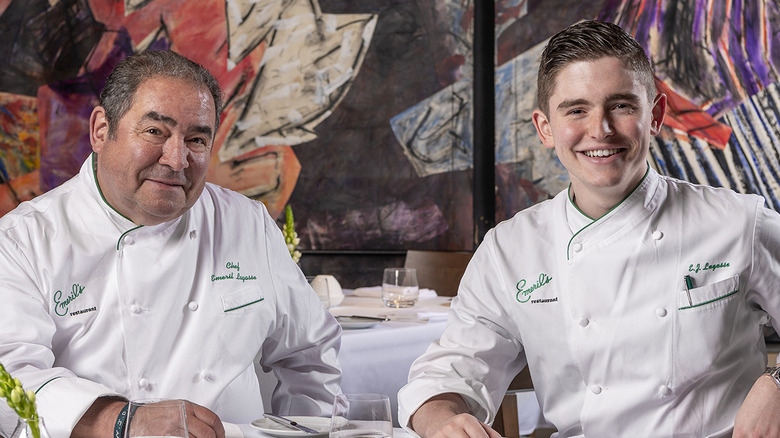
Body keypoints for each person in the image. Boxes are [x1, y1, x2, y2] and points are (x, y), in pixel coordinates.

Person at [398, 20, 780, 438]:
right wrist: (443, 424)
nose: (600, 129)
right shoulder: (511, 249)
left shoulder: (740, 222)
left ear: (655, 115)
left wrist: (776, 384)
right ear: (545, 128)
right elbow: (446, 376)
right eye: (577, 110)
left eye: (621, 105)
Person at [0, 50, 341, 437]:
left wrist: (308, 432)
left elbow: (310, 356)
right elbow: (9, 380)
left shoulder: (247, 223)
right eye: (154, 132)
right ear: (100, 130)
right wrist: (123, 421)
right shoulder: (22, 241)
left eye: (196, 139)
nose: (177, 159)